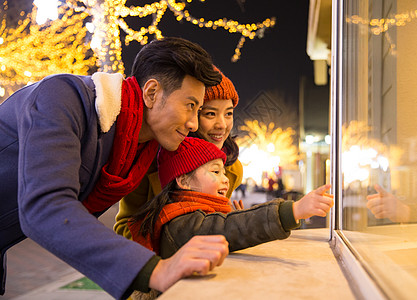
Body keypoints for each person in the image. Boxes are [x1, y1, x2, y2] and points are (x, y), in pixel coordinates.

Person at [0, 37, 230, 299]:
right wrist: (155, 270)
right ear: (152, 93)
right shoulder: (61, 98)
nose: (193, 123)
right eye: (190, 106)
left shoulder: (138, 149)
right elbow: (45, 207)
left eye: (199, 110)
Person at [129, 136, 334, 261]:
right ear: (183, 180)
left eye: (224, 173)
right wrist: (292, 211)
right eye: (216, 172)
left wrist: (231, 215)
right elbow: (229, 229)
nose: (225, 180)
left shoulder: (190, 214)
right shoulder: (178, 222)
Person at [114, 66, 244, 239]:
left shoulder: (232, 169)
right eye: (210, 114)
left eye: (228, 114)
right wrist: (171, 243)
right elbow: (124, 227)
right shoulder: (148, 160)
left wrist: (234, 224)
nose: (222, 124)